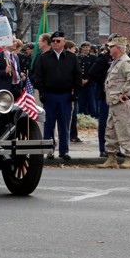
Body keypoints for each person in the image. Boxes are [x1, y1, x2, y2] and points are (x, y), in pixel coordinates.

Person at [32, 31, 81, 161]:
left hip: (65, 95)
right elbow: (38, 77)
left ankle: (64, 151)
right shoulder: (44, 57)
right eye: (53, 41)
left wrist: (75, 93)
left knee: (64, 124)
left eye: (58, 41)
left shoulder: (71, 57)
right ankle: (49, 150)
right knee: (49, 124)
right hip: (50, 95)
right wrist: (42, 92)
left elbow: (77, 76)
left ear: (64, 42)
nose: (55, 43)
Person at [98, 35, 130, 169]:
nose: (109, 48)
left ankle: (129, 158)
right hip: (113, 103)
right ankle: (111, 158)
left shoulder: (125, 62)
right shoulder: (116, 62)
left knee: (126, 130)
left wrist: (123, 92)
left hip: (123, 104)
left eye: (111, 46)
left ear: (118, 48)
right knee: (111, 132)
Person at [78, 41, 98, 117]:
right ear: (81, 48)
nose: (86, 49)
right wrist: (80, 79)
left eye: (87, 47)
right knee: (81, 102)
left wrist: (87, 79)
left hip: (90, 83)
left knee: (91, 102)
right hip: (80, 83)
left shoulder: (93, 57)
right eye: (84, 47)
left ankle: (93, 117)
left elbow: (94, 70)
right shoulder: (78, 57)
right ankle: (82, 116)